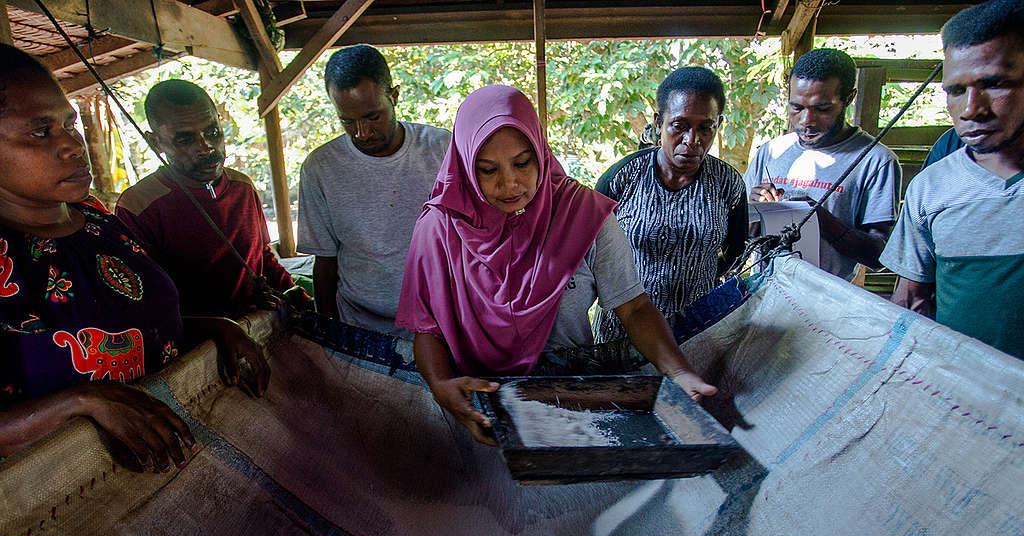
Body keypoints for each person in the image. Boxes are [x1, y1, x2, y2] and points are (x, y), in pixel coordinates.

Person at [396, 85, 717, 445]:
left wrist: (679, 373)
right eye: (487, 170)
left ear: (540, 151)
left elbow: (635, 307)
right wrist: (441, 384)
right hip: (480, 415)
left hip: (575, 410)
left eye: (522, 163)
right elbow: (428, 330)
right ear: (466, 165)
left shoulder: (581, 215)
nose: (510, 183)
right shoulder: (440, 229)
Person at [0, 46, 269, 467]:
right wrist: (81, 401)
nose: (74, 145)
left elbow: (137, 330)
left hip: (177, 459)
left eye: (69, 124)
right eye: (40, 132)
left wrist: (216, 326)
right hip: (68, 510)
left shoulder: (99, 224)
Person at [880, 0, 1024, 360]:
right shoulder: (931, 189)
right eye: (955, 90)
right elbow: (912, 302)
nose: (972, 109)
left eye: (994, 84)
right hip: (967, 401)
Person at [297, 44, 450, 337]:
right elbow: (325, 264)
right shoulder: (320, 168)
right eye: (347, 121)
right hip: (360, 327)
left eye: (372, 117)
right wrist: (331, 333)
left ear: (394, 96)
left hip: (438, 323)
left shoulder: (441, 148)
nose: (361, 133)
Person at [115, 80, 300, 318]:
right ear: (156, 143)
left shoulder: (242, 187)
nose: (206, 147)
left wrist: (292, 293)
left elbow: (261, 257)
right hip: (199, 347)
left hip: (258, 328)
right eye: (185, 139)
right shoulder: (139, 207)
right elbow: (148, 301)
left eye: (212, 132)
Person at [592, 67, 748, 343]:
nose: (692, 140)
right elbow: (587, 249)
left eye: (705, 127)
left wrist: (699, 275)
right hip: (621, 334)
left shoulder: (727, 185)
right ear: (658, 122)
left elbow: (736, 249)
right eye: (679, 125)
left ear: (718, 125)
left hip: (696, 331)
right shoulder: (624, 177)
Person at [745, 48, 902, 281]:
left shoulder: (875, 160)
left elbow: (879, 256)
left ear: (849, 98)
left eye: (823, 109)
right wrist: (755, 211)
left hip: (827, 302)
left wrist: (820, 220)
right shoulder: (771, 151)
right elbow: (742, 235)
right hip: (766, 289)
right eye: (796, 107)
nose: (807, 121)